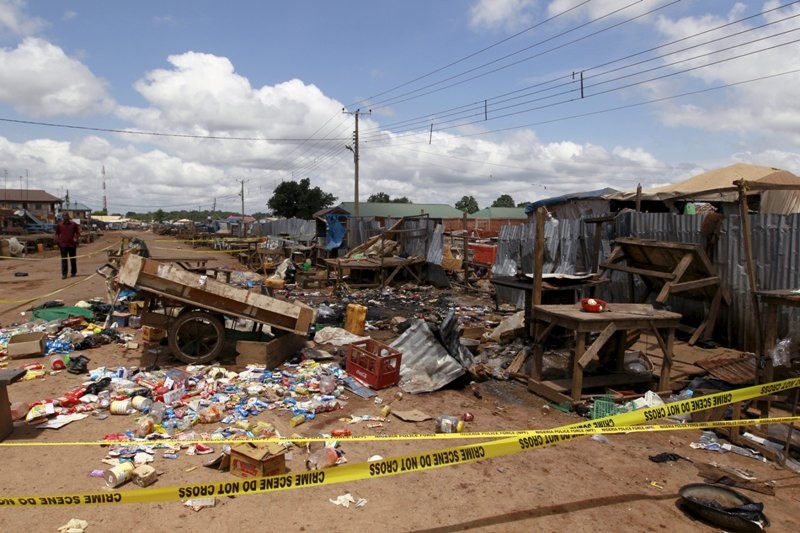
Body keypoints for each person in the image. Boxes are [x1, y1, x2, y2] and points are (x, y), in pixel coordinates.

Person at [56, 213, 80, 279]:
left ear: (69, 217)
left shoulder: (73, 224)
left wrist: (76, 239)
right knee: (64, 260)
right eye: (64, 216)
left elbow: (77, 233)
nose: (65, 217)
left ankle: (73, 272)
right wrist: (58, 241)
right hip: (63, 245)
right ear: (63, 217)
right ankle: (64, 274)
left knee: (73, 259)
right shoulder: (59, 225)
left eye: (66, 216)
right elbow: (57, 234)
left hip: (72, 244)